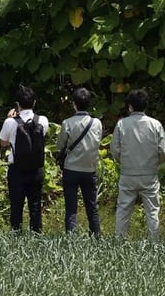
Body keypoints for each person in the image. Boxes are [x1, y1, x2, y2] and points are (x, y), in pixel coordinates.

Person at [111, 88, 165, 241]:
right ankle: (154, 243)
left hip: (128, 173)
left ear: (130, 106)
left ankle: (118, 241)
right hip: (149, 173)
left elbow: (115, 150)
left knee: (123, 209)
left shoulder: (122, 124)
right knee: (152, 211)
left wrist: (123, 161)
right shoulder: (155, 124)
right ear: (146, 105)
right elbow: (163, 150)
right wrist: (156, 163)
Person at [0, 85, 49, 232]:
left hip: (16, 169)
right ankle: (37, 234)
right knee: (35, 205)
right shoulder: (43, 120)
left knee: (16, 205)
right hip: (36, 168)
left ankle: (16, 234)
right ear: (34, 103)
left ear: (17, 104)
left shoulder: (10, 122)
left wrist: (9, 118)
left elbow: (3, 143)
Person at [56, 87, 103, 236]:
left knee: (71, 207)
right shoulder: (97, 123)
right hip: (89, 169)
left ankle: (71, 237)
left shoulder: (67, 123)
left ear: (74, 104)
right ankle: (96, 235)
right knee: (92, 205)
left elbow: (60, 145)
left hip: (71, 168)